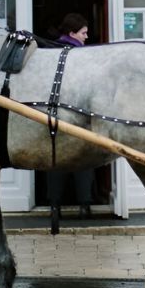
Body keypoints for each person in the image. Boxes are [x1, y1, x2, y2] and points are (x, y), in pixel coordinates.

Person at [46, 12, 95, 228]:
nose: (87, 36)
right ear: (72, 33)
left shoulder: (49, 52)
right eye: (83, 32)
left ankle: (54, 206)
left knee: (55, 160)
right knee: (84, 159)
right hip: (79, 114)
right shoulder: (81, 56)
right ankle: (85, 205)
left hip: (55, 114)